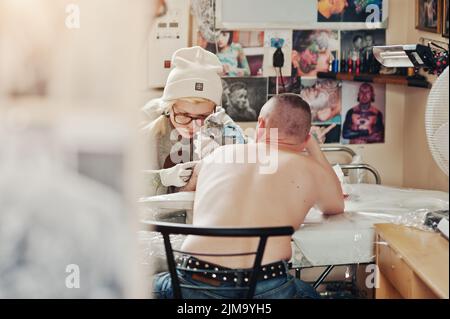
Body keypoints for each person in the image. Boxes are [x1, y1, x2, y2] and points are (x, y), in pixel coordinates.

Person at [153, 93, 344, 299]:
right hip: (267, 285)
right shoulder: (311, 169)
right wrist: (312, 146)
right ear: (306, 138)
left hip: (195, 281)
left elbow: (185, 193)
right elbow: (336, 206)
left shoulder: (218, 154)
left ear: (260, 123)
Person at [143, 46, 246, 196]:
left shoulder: (220, 124)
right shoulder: (148, 126)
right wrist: (162, 178)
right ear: (169, 108)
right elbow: (122, 178)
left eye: (202, 117)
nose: (193, 126)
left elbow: (245, 166)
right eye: (184, 115)